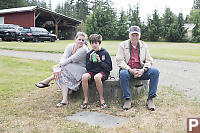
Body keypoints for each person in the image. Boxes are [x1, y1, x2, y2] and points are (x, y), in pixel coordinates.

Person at [35, 32, 89, 107]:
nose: (81, 41)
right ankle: (64, 100)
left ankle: (47, 81)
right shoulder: (70, 46)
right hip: (68, 68)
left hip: (80, 70)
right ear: (75, 39)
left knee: (63, 68)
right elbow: (64, 57)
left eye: (83, 40)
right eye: (79, 39)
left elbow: (70, 59)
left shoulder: (83, 50)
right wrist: (59, 66)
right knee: (61, 74)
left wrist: (57, 66)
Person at [116, 26, 160, 111]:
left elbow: (149, 60)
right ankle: (127, 99)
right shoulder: (123, 45)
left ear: (139, 36)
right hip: (128, 70)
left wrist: (143, 70)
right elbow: (119, 61)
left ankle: (150, 99)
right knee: (123, 74)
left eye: (137, 35)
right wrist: (130, 70)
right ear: (129, 35)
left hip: (141, 71)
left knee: (155, 72)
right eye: (133, 35)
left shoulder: (144, 45)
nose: (135, 37)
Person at [81, 34, 112, 109]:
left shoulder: (104, 52)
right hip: (93, 72)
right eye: (92, 43)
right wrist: (90, 60)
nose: (94, 45)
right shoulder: (89, 53)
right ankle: (86, 99)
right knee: (84, 76)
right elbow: (88, 68)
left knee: (97, 77)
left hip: (103, 72)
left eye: (96, 43)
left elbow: (109, 68)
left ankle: (102, 99)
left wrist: (100, 61)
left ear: (99, 43)